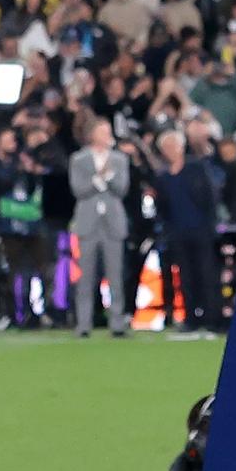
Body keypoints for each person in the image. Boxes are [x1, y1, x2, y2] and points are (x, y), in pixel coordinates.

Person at [148, 121, 225, 332]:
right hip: (178, 233)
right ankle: (191, 317)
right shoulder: (163, 177)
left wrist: (211, 225)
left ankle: (212, 317)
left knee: (206, 274)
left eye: (173, 146)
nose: (170, 151)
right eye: (166, 148)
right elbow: (162, 207)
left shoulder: (196, 169)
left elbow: (209, 198)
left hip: (201, 231)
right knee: (186, 277)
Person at [67, 119, 132, 334]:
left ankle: (117, 323)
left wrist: (108, 176)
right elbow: (78, 189)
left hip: (113, 223)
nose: (107, 135)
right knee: (85, 277)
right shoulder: (78, 159)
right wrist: (99, 178)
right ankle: (83, 323)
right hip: (87, 224)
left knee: (115, 276)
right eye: (103, 131)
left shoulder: (120, 159)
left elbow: (122, 189)